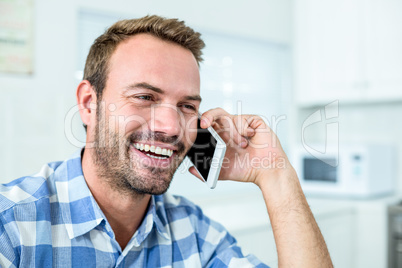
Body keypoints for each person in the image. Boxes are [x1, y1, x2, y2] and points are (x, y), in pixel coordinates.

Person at [0, 15, 333, 267]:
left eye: (187, 106)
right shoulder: (11, 227)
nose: (171, 127)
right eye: (145, 97)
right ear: (89, 103)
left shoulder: (196, 233)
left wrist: (275, 176)